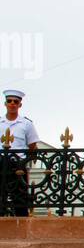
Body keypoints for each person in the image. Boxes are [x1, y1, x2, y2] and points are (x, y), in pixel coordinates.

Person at [0, 88, 38, 217]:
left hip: (18, 165)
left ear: (19, 105)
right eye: (9, 101)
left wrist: (25, 162)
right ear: (5, 103)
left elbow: (32, 145)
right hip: (0, 163)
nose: (12, 103)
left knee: (20, 200)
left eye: (15, 101)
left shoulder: (26, 124)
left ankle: (22, 229)